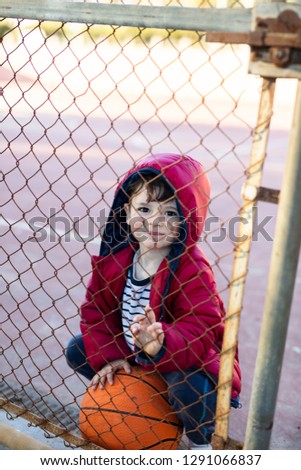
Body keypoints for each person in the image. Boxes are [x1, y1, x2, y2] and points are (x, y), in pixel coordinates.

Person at [66, 153, 241, 450]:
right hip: (132, 355)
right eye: (144, 209)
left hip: (181, 359)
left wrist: (160, 343)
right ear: (125, 211)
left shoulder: (191, 268)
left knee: (190, 385)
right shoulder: (115, 260)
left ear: (190, 217)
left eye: (171, 214)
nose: (155, 222)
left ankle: (201, 442)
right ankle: (139, 395)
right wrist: (112, 356)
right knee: (78, 349)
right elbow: (96, 311)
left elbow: (202, 327)